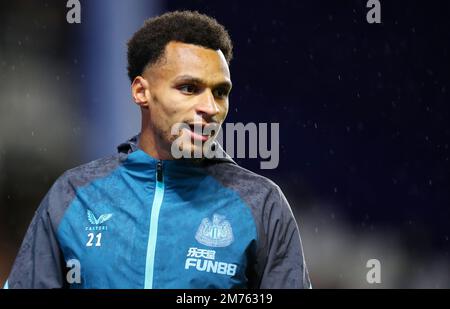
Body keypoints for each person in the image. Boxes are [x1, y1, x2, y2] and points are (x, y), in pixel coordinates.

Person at [4, 10, 311, 289]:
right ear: (141, 92)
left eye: (220, 92)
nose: (210, 107)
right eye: (189, 88)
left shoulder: (262, 204)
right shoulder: (72, 196)